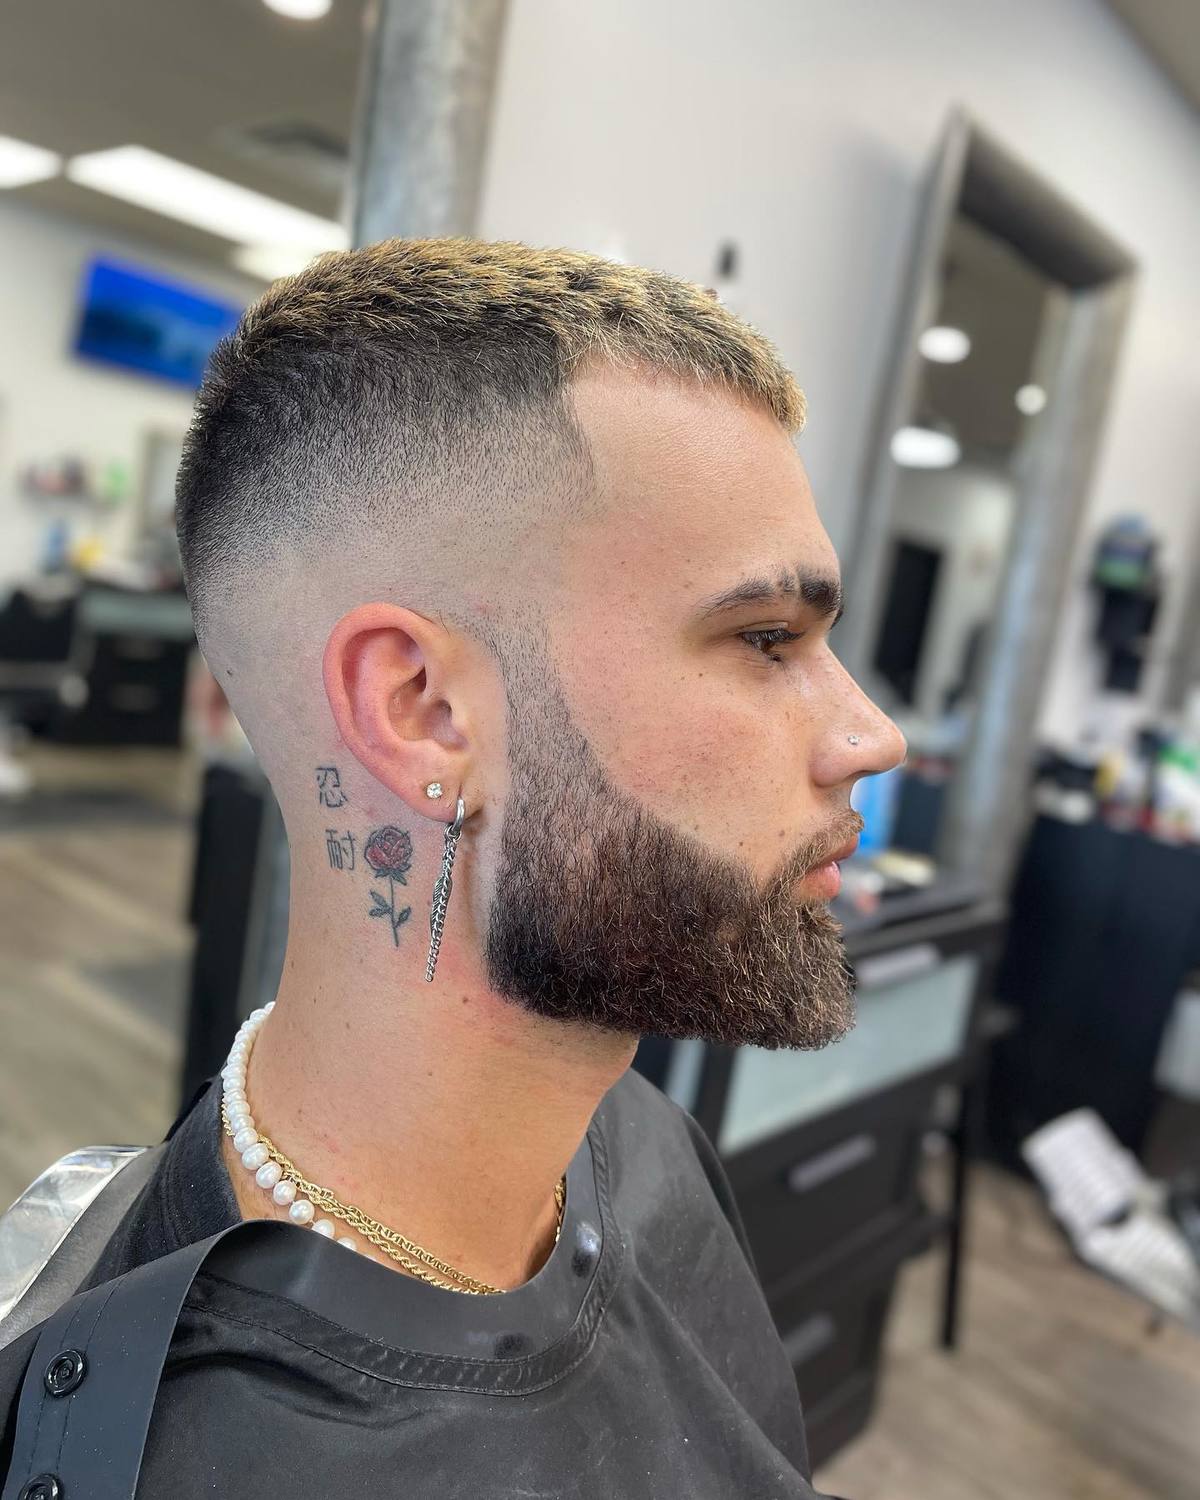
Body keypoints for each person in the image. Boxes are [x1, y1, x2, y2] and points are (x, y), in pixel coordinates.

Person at [0, 238, 904, 1496]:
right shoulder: (164, 1458)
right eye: (765, 638)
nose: (871, 735)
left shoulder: (647, 1146)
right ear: (420, 709)